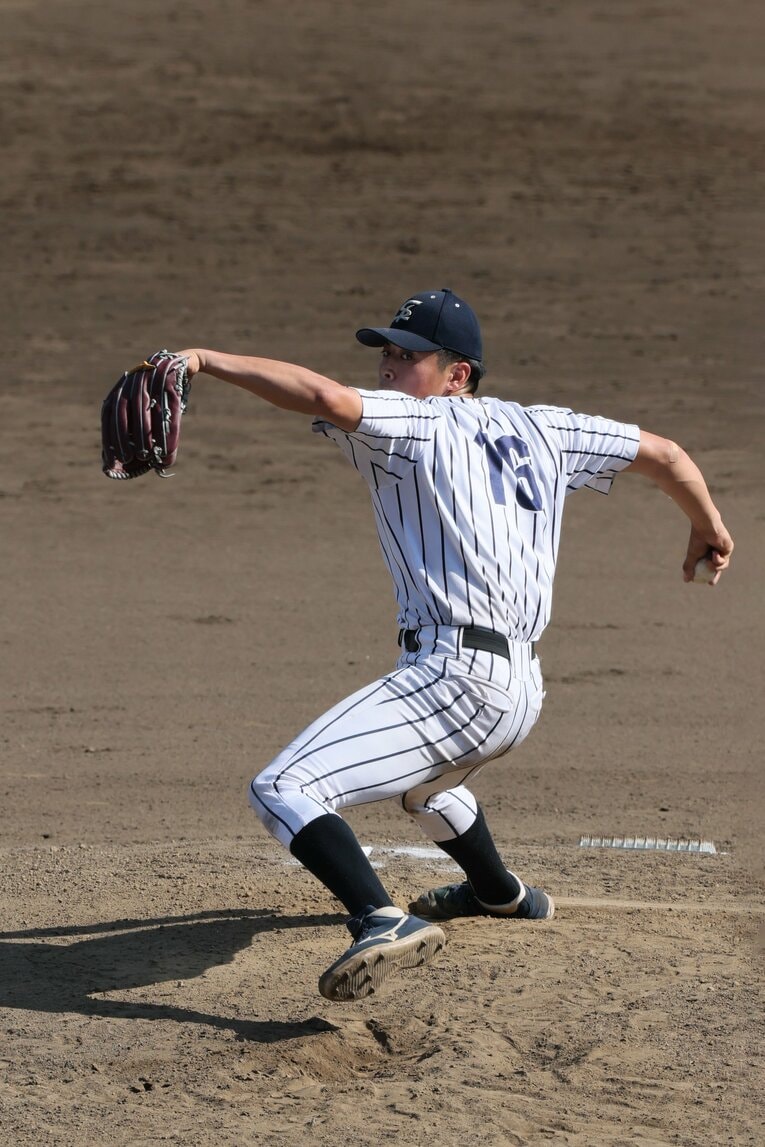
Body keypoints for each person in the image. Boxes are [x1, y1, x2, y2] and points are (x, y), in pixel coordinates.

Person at [178, 287, 733, 1002]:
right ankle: (501, 892)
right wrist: (707, 525)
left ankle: (380, 918)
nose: (388, 366)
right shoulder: (544, 429)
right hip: (517, 692)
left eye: (407, 356)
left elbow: (318, 392)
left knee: (284, 787)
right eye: (385, 353)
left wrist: (203, 359)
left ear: (456, 374)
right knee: (425, 786)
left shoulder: (416, 422)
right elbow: (664, 453)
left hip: (456, 680)